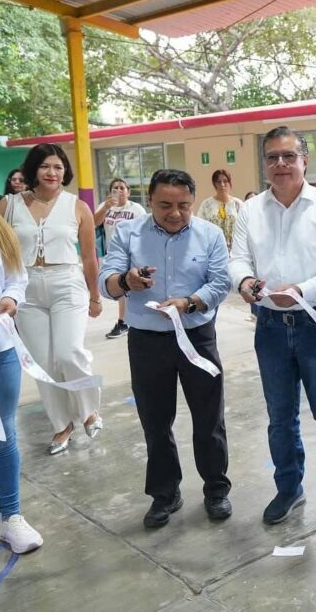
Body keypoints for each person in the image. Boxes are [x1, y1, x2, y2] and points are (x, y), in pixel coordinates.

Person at [229, 126, 316, 526]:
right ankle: (289, 487)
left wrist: (299, 292)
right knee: (280, 416)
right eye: (272, 157)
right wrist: (246, 283)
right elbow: (237, 261)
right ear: (265, 163)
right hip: (268, 325)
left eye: (289, 156)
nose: (281, 164)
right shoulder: (250, 210)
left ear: (305, 160)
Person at [99, 169, 233, 528]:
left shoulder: (210, 234)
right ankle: (165, 493)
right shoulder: (129, 233)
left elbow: (221, 283)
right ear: (150, 202)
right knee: (155, 422)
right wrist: (126, 281)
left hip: (197, 336)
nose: (175, 213)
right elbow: (105, 282)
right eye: (165, 206)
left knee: (209, 417)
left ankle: (216, 489)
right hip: (147, 341)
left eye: (183, 206)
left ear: (192, 202)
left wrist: (190, 302)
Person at [0, 144, 103, 455]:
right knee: (43, 362)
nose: (52, 172)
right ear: (33, 170)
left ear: (64, 171)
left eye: (57, 167)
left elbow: (89, 256)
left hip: (66, 284)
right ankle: (61, 425)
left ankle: (89, 411)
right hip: (25, 289)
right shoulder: (8, 205)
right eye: (45, 166)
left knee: (69, 354)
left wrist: (95, 295)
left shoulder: (76, 206)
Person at [0, 212, 43, 553]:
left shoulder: (0, 229)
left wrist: (11, 299)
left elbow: (16, 277)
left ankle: (11, 517)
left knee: (3, 432)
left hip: (1, 348)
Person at [94, 178, 146, 339]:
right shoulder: (105, 206)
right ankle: (127, 321)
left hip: (131, 252)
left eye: (122, 187)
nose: (119, 190)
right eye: (115, 187)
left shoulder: (136, 208)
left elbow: (144, 229)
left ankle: (124, 321)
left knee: (125, 285)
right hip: (112, 253)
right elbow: (94, 223)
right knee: (121, 287)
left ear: (128, 191)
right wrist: (107, 207)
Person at [197, 169, 242, 250]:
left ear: (229, 183)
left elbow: (244, 227)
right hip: (213, 248)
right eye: (218, 182)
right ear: (214, 184)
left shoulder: (238, 204)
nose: (222, 184)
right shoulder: (206, 204)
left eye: (225, 181)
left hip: (235, 249)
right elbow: (200, 227)